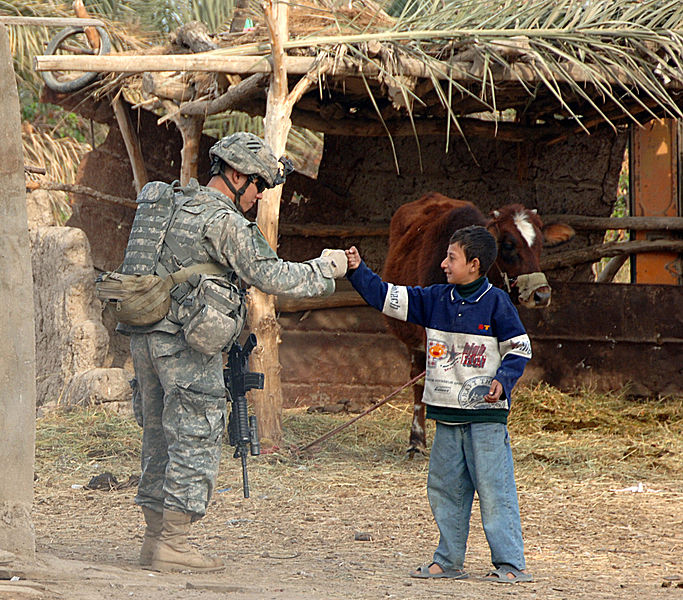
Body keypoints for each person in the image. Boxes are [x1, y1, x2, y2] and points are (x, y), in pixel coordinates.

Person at [116, 132, 348, 573]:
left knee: (159, 436)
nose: (259, 194)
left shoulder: (173, 205)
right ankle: (174, 544)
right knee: (195, 434)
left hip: (144, 337)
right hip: (185, 343)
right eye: (258, 184)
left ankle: (154, 540)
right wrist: (326, 268)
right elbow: (271, 275)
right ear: (236, 174)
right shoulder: (222, 221)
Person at [344, 225, 533, 584]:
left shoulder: (497, 304)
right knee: (445, 489)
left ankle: (510, 564)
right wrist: (358, 271)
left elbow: (519, 349)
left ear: (474, 265)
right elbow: (386, 296)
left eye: (452, 258)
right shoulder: (434, 299)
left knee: (494, 490)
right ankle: (447, 561)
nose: (444, 264)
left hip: (485, 419)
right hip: (445, 417)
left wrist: (503, 380)